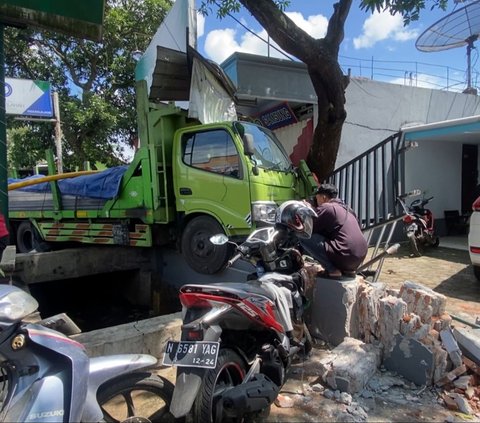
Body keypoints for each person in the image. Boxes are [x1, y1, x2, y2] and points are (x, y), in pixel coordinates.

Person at [300, 183, 368, 279]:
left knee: (303, 236)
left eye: (317, 198)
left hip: (345, 255)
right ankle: (348, 271)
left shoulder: (327, 207)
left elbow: (309, 227)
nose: (316, 201)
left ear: (323, 197)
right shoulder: (349, 209)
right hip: (360, 257)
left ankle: (333, 271)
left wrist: (306, 209)